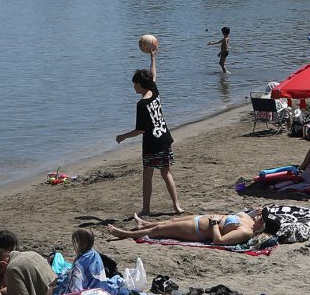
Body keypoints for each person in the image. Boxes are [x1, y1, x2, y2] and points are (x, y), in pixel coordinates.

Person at [115, 70, 180, 215]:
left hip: (152, 144)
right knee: (166, 172)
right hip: (165, 138)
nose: (134, 87)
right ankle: (176, 206)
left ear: (141, 84)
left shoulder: (142, 104)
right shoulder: (154, 91)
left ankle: (146, 209)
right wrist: (153, 59)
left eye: (135, 84)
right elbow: (154, 75)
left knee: (147, 177)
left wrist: (123, 136)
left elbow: (140, 130)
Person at [103, 211, 261, 248]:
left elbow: (218, 241)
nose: (260, 215)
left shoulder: (246, 232)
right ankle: (144, 224)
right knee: (171, 221)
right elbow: (250, 212)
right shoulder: (249, 218)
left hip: (198, 230)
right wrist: (257, 211)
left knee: (159, 229)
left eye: (263, 216)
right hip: (201, 218)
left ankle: (126, 234)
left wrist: (213, 223)